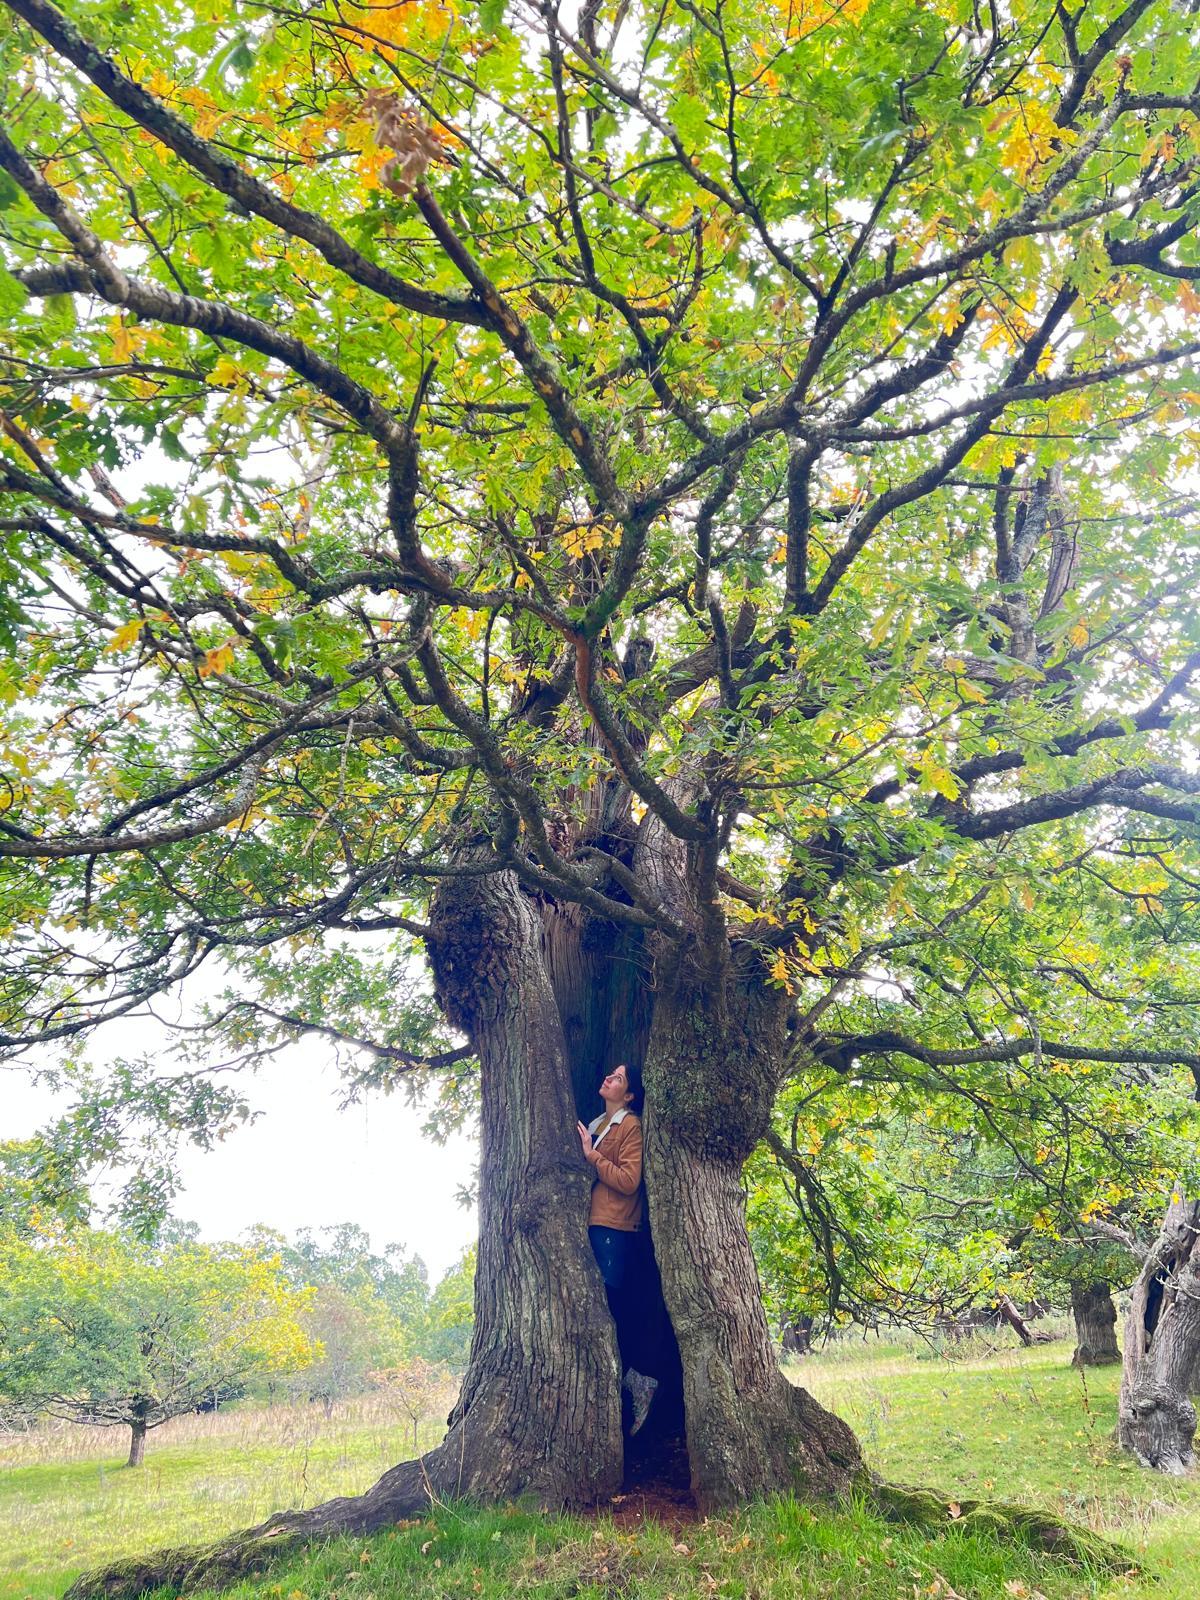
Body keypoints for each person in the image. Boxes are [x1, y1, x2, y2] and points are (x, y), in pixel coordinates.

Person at [576, 1062, 659, 1434]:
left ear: (628, 1095)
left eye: (619, 1078)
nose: (608, 1076)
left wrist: (591, 1155)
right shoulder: (595, 1124)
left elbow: (628, 1180)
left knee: (611, 1311)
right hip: (594, 1226)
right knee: (598, 1309)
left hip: (615, 1227)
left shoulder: (630, 1126)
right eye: (610, 1072)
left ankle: (638, 1380)